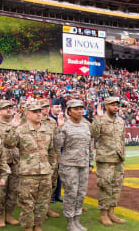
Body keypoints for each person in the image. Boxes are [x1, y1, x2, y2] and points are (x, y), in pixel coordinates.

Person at [4, 102, 59, 231]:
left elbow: (51, 151)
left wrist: (51, 167)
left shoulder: (47, 129)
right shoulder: (20, 129)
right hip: (28, 173)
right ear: (27, 114)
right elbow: (8, 144)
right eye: (35, 112)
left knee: (43, 203)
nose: (39, 114)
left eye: (39, 111)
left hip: (45, 173)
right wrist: (12, 127)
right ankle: (28, 227)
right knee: (27, 203)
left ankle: (38, 226)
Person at [54, 99, 93, 231]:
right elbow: (57, 145)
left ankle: (77, 220)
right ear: (69, 111)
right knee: (71, 193)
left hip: (83, 165)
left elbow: (89, 146)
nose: (80, 111)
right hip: (69, 165)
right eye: (76, 109)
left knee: (81, 194)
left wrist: (90, 163)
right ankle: (70, 222)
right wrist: (59, 128)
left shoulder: (85, 126)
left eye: (81, 108)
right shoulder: (64, 126)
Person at [90, 97, 126, 227]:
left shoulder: (120, 121)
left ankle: (112, 212)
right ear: (106, 106)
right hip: (105, 159)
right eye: (113, 105)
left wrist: (123, 159)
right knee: (105, 186)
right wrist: (98, 119)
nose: (116, 107)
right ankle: (103, 215)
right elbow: (93, 134)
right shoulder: (100, 119)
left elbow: (122, 140)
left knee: (116, 187)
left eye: (117, 105)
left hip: (117, 159)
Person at [0, 100, 20, 227]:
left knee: (13, 190)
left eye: (10, 107)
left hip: (15, 161)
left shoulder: (18, 123)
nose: (8, 110)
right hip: (0, 163)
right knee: (0, 191)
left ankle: (9, 214)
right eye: (5, 108)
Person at [38, 99, 61, 218]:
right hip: (40, 157)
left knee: (52, 183)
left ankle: (47, 208)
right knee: (41, 186)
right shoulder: (35, 121)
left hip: (53, 157)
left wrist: (57, 157)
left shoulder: (52, 121)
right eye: (43, 107)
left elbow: (56, 140)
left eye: (47, 107)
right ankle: (39, 210)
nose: (45, 109)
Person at [49, 99, 63, 204]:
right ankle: (51, 196)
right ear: (51, 108)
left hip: (62, 152)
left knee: (59, 175)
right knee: (52, 176)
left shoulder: (63, 119)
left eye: (60, 107)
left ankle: (57, 195)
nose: (58, 109)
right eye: (56, 107)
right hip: (53, 152)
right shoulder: (49, 120)